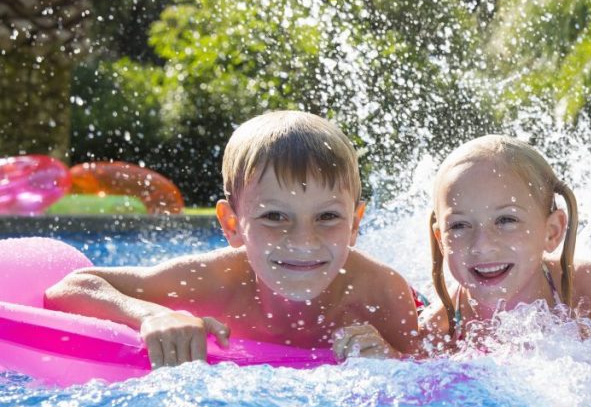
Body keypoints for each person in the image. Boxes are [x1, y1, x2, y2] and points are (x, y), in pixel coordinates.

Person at [45, 110, 421, 367]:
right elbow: (72, 287)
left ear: (355, 223)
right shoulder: (212, 281)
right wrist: (153, 314)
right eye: (274, 216)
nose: (303, 240)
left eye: (327, 217)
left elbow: (430, 375)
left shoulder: (381, 293)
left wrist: (391, 358)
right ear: (232, 224)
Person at [420, 135, 591, 349]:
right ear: (441, 241)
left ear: (552, 232)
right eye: (459, 226)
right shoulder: (439, 330)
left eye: (506, 220)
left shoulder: (586, 289)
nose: (482, 245)